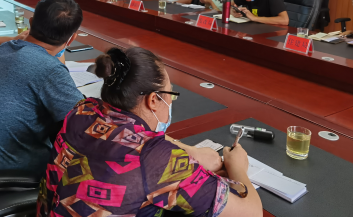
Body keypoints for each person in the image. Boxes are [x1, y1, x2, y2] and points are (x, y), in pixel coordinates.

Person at [37, 47, 262, 217]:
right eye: (170, 94)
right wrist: (237, 166)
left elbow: (133, 141)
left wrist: (186, 151)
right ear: (153, 100)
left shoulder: (82, 110)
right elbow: (251, 212)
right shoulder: (156, 160)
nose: (171, 101)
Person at [0, 0, 84, 180]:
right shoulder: (50, 70)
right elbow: (84, 121)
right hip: (6, 180)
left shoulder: (4, 49)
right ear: (71, 40)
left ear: (30, 22)